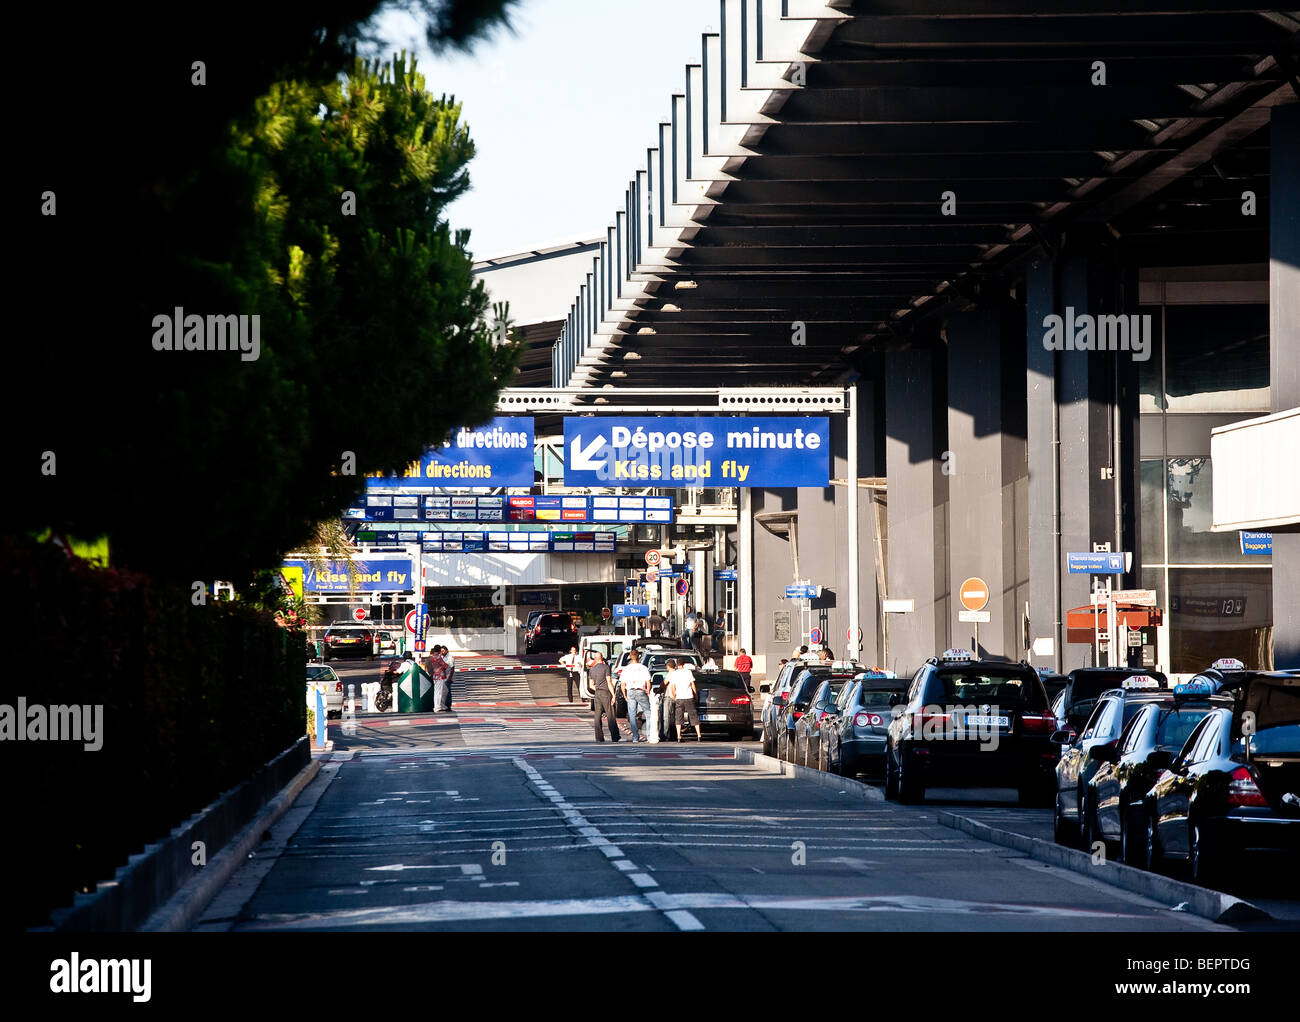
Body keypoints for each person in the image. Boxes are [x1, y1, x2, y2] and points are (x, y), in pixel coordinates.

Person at [620, 650, 653, 743]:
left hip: (630, 691)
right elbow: (648, 682)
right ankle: (649, 736)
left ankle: (635, 737)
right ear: (638, 657)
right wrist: (648, 692)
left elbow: (623, 684)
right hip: (640, 690)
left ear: (630, 657)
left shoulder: (626, 668)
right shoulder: (643, 668)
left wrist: (624, 694)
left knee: (632, 714)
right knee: (648, 713)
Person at [666, 657, 702, 742]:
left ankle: (679, 736)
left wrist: (675, 695)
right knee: (693, 715)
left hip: (679, 697)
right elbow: (692, 684)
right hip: (689, 696)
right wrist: (695, 695)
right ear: (684, 664)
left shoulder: (675, 673)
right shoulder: (688, 672)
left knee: (678, 717)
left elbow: (672, 686)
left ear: (677, 664)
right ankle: (699, 735)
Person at [588, 652, 620, 742]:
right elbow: (609, 682)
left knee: (597, 715)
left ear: (595, 659)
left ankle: (599, 737)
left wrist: (597, 688)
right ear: (602, 658)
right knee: (610, 715)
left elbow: (590, 685)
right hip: (606, 693)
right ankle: (615, 736)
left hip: (597, 693)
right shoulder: (606, 668)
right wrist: (613, 695)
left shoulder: (592, 669)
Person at [426, 646, 450, 711]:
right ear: (439, 650)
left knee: (439, 691)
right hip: (440, 676)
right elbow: (445, 666)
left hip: (435, 676)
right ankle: (437, 706)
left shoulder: (432, 657)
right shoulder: (438, 657)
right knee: (439, 692)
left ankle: (439, 705)